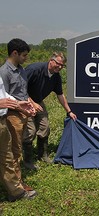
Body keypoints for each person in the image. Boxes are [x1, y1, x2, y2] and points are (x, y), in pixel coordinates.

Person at [22, 52, 77, 170]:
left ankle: (43, 155)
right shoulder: (34, 69)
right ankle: (27, 161)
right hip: (24, 101)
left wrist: (69, 111)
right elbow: (20, 89)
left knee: (44, 127)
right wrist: (32, 104)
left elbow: (60, 95)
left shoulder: (56, 76)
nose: (60, 67)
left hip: (38, 101)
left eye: (63, 65)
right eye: (58, 64)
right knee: (30, 132)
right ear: (51, 61)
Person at [0, 38, 37, 199]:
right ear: (14, 53)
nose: (26, 58)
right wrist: (19, 107)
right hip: (11, 116)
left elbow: (21, 93)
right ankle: (17, 185)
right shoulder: (4, 72)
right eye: (23, 55)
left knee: (17, 150)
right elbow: (5, 99)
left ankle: (16, 182)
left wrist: (30, 104)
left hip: (23, 112)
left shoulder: (21, 69)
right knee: (12, 152)